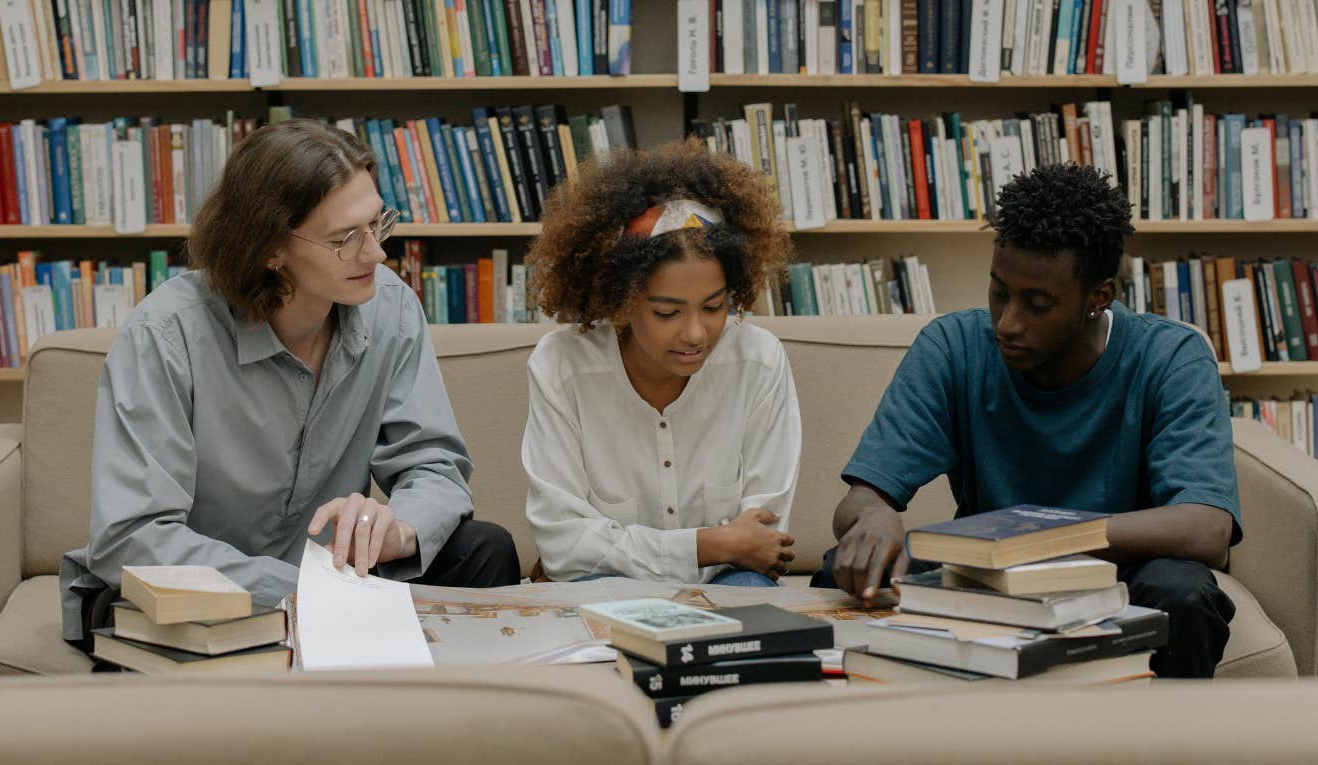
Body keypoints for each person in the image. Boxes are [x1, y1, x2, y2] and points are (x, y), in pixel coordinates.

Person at [60, 119, 519, 650]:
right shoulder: (166, 335)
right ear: (270, 248)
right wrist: (310, 593)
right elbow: (132, 538)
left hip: (331, 579)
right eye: (346, 239)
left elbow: (433, 463)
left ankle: (439, 718)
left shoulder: (389, 307)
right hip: (201, 592)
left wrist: (399, 529)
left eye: (377, 225)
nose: (376, 254)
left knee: (485, 548)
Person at [814, 163, 1239, 678]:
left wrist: (1040, 537)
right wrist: (874, 514)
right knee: (843, 565)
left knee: (1184, 592)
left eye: (1038, 304)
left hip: (1121, 575)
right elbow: (859, 501)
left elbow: (1206, 529)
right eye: (999, 292)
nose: (1008, 323)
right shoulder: (952, 348)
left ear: (1098, 298)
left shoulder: (1171, 356)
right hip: (990, 575)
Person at [521, 138, 800, 587]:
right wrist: (708, 545)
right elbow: (564, 546)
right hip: (607, 584)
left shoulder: (759, 361)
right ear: (622, 302)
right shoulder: (561, 367)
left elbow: (760, 541)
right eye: (667, 313)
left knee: (750, 596)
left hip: (729, 579)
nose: (695, 333)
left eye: (714, 307)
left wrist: (716, 549)